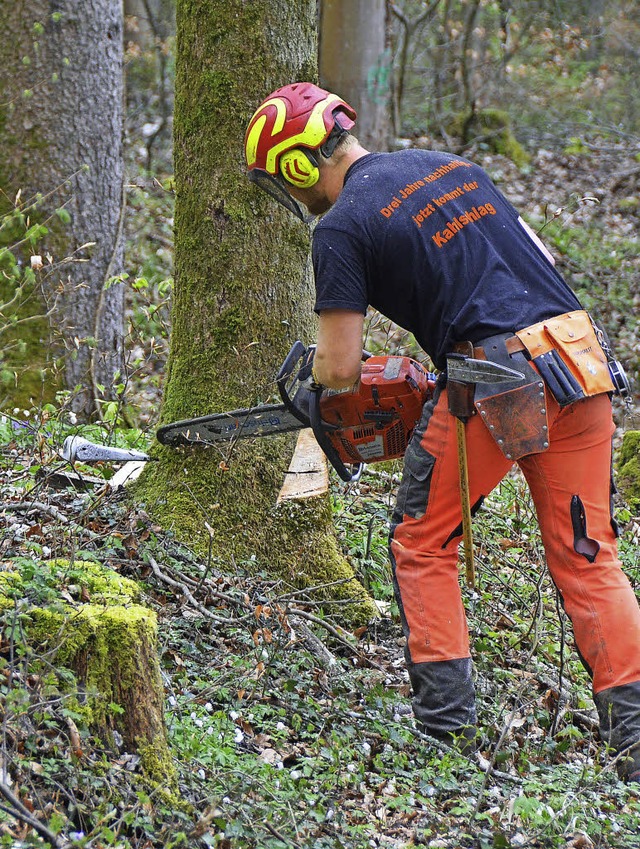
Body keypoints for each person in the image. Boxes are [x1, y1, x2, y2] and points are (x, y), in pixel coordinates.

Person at [244, 82, 640, 781]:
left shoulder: (340, 225)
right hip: (579, 358)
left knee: (422, 542)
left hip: (495, 380)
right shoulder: (452, 165)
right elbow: (536, 264)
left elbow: (336, 366)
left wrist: (326, 393)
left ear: (300, 166)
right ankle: (633, 738)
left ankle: (446, 733)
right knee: (589, 554)